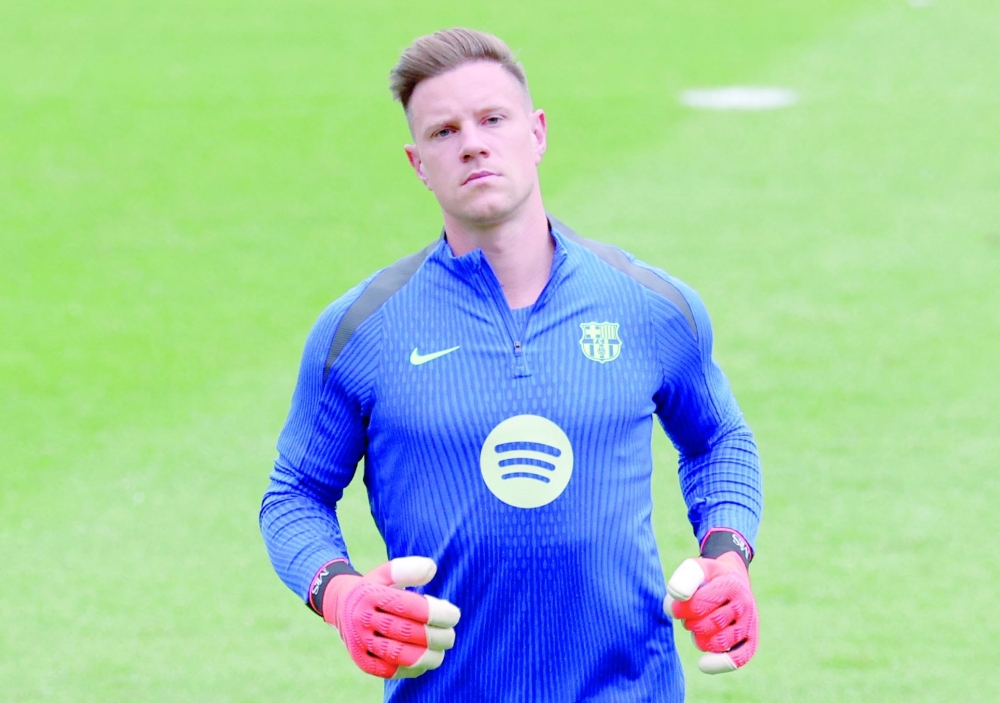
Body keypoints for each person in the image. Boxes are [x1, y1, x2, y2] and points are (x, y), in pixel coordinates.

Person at [260, 27, 763, 702]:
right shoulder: (362, 330)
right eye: (443, 132)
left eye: (493, 119)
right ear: (417, 162)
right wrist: (340, 591)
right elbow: (294, 491)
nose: (472, 142)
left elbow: (719, 440)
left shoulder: (650, 307)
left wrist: (727, 554)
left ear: (537, 133)